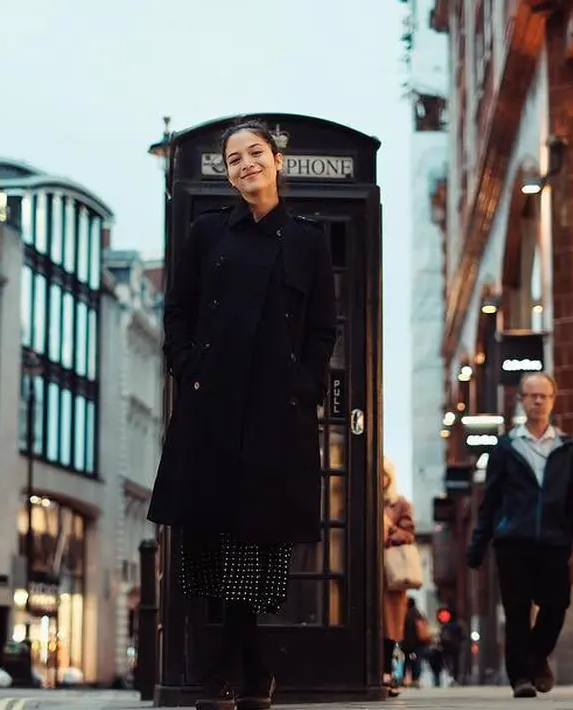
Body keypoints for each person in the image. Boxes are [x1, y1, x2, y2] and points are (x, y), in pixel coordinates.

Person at [147, 118, 337, 710]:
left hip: (274, 413)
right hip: (212, 407)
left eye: (255, 153)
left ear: (277, 161)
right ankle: (246, 670)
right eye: (234, 159)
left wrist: (303, 387)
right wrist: (186, 367)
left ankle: (231, 671)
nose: (246, 164)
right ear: (227, 173)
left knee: (257, 543)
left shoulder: (308, 239)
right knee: (213, 542)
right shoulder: (208, 234)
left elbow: (322, 329)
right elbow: (176, 309)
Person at [466, 371, 573, 699]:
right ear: (521, 400)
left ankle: (535, 658)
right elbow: (490, 501)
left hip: (553, 541)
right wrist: (478, 545)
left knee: (556, 606)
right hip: (513, 543)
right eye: (531, 395)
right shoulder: (506, 448)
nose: (537, 401)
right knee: (517, 610)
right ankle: (520, 677)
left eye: (544, 396)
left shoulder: (567, 449)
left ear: (552, 400)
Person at [381, 458, 415, 697]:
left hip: (391, 574)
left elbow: (409, 533)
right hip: (367, 571)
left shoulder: (400, 504)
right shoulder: (363, 498)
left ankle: (386, 672)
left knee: (390, 626)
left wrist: (389, 529)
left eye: (384, 474)